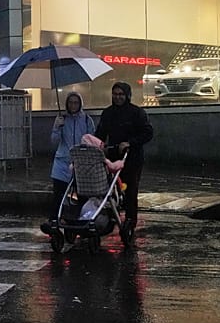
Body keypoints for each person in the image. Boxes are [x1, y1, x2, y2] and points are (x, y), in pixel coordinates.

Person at [93, 82, 153, 232]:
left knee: (131, 190)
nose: (118, 97)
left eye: (121, 94)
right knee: (111, 189)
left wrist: (130, 143)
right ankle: (112, 217)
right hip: (113, 157)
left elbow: (147, 133)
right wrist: (98, 146)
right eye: (115, 94)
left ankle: (130, 221)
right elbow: (100, 133)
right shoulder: (107, 113)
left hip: (132, 158)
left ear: (127, 96)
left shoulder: (137, 113)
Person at [40, 92, 95, 234]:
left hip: (81, 163)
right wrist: (57, 128)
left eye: (76, 102)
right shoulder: (61, 119)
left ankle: (81, 222)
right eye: (70, 102)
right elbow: (54, 141)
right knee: (58, 195)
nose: (73, 105)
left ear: (80, 104)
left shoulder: (87, 120)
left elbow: (92, 140)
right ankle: (54, 221)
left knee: (83, 194)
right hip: (62, 163)